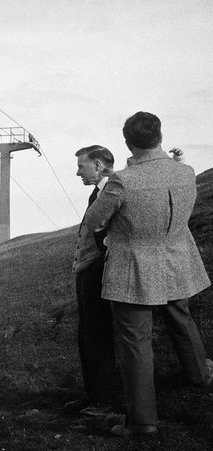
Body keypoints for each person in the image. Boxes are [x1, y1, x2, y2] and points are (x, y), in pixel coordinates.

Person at [85, 111, 212, 436]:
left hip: (134, 267)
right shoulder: (185, 171)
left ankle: (143, 422)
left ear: (128, 142)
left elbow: (95, 221)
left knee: (136, 341)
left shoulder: (123, 181)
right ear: (159, 136)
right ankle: (200, 375)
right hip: (176, 259)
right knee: (181, 319)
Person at [67, 145, 117, 416]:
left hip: (100, 271)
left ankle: (104, 398)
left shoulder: (113, 191)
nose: (77, 172)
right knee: (87, 333)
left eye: (81, 166)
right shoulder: (99, 192)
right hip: (88, 270)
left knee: (96, 333)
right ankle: (93, 394)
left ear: (97, 165)